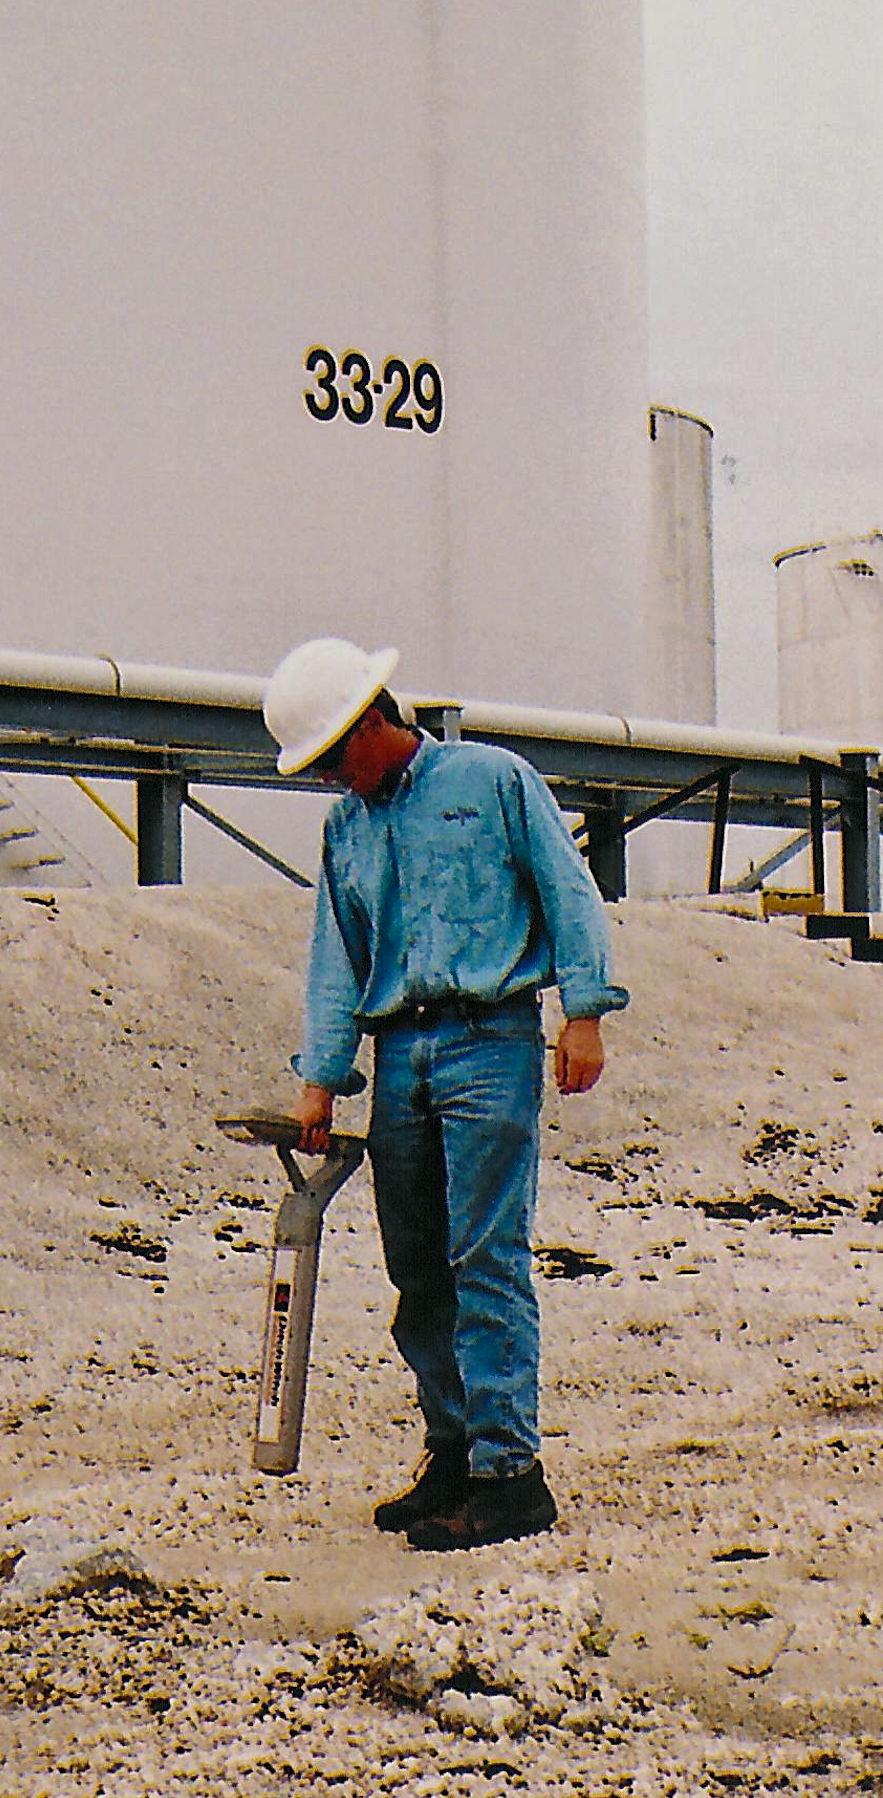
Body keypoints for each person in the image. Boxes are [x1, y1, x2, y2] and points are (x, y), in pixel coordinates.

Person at [263, 636, 628, 1551]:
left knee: (485, 1258)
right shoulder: (347, 830)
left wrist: (582, 1010)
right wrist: (321, 1077)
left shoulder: (495, 781)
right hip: (401, 1060)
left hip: (489, 1043)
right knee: (418, 1264)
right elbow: (336, 954)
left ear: (376, 717)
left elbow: (568, 892)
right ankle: (454, 1453)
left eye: (335, 757)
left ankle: (510, 1474)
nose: (333, 781)